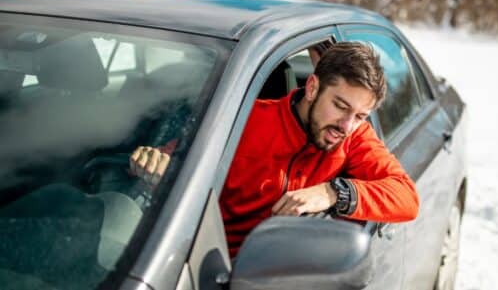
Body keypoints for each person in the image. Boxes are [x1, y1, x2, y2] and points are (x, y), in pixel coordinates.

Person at [131, 42, 419, 257]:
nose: (346, 125)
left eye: (360, 116)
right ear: (312, 88)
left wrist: (333, 192)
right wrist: (153, 162)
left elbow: (407, 198)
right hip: (207, 267)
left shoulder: (355, 138)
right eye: (340, 106)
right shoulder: (241, 121)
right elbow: (169, 160)